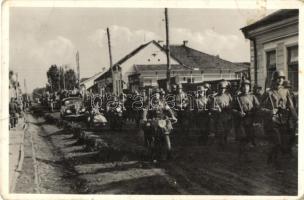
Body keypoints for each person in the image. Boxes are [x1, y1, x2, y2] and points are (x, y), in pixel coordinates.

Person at [260, 70, 298, 163]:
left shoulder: (286, 91)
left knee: (283, 143)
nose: (280, 80)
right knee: (277, 142)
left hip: (283, 121)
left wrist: (296, 119)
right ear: (274, 80)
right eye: (278, 78)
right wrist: (270, 111)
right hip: (272, 121)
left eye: (282, 78)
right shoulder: (268, 93)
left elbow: (291, 106)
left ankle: (275, 161)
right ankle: (272, 160)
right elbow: (259, 108)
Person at [142, 88, 177, 160]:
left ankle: (169, 153)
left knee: (166, 132)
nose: (156, 95)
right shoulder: (150, 103)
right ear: (152, 95)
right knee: (152, 134)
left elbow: (169, 109)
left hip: (162, 120)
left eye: (157, 94)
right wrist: (144, 118)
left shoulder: (163, 102)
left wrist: (172, 116)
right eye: (154, 94)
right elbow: (145, 110)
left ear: (159, 95)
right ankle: (152, 153)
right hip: (153, 120)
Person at [232, 79, 260, 160]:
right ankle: (243, 156)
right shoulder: (237, 98)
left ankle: (247, 155)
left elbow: (258, 107)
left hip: (250, 120)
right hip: (241, 121)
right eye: (244, 86)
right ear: (241, 88)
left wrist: (254, 110)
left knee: (249, 137)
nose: (245, 88)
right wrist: (238, 113)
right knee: (242, 139)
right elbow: (232, 109)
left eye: (247, 86)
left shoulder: (253, 96)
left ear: (249, 87)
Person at [209, 80, 233, 149]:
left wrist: (228, 107)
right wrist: (217, 109)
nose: (222, 90)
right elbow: (211, 108)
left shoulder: (228, 96)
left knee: (227, 130)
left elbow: (232, 105)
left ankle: (224, 142)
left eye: (224, 88)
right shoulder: (215, 97)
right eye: (221, 88)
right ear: (218, 89)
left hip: (227, 116)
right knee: (220, 131)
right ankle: (221, 144)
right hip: (219, 117)